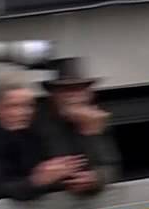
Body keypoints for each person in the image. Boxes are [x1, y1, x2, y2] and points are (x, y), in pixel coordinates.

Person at [0, 73, 85, 202]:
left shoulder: (34, 133)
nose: (24, 112)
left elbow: (55, 172)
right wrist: (36, 181)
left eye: (28, 105)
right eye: (13, 106)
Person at [37, 58, 120, 194]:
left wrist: (97, 178)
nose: (73, 96)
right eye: (65, 90)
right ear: (53, 95)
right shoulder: (39, 123)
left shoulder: (96, 120)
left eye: (79, 89)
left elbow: (110, 168)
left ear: (89, 94)